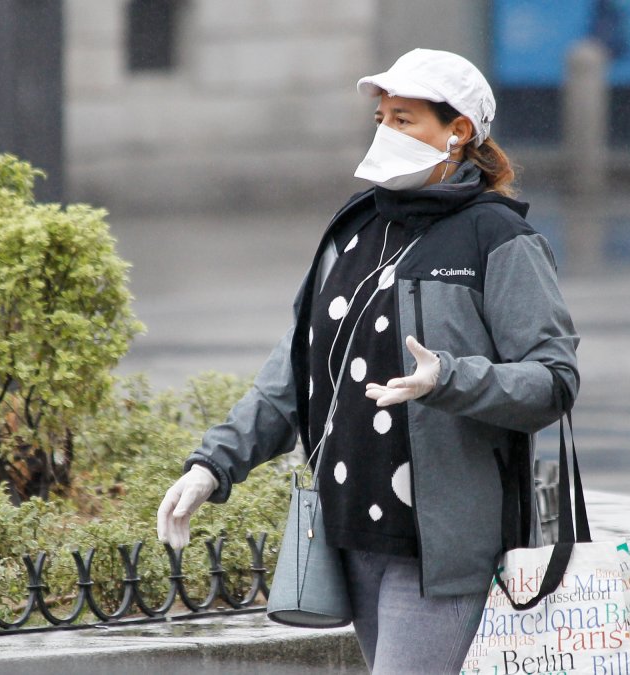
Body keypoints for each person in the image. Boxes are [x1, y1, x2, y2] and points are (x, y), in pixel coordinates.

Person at [156, 48, 579, 674]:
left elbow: (553, 379)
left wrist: (450, 379)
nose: (386, 133)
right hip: (350, 534)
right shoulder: (354, 228)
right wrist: (215, 463)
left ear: (458, 131)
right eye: (382, 118)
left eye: (405, 120)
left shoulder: (499, 239)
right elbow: (295, 369)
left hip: (437, 548)